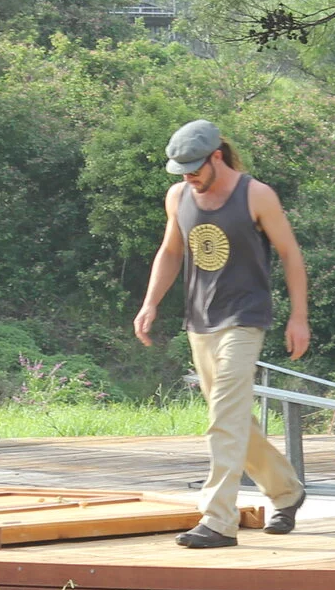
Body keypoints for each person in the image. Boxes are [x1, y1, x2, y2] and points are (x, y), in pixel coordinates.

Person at [133, 119, 311, 548]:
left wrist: (298, 317)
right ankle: (287, 491)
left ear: (217, 156)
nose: (188, 176)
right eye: (181, 170)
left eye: (195, 167)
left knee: (222, 420)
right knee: (232, 420)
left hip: (245, 318)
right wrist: (151, 302)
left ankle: (217, 520)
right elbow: (171, 251)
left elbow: (290, 254)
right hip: (200, 320)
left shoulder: (256, 195)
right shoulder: (178, 196)